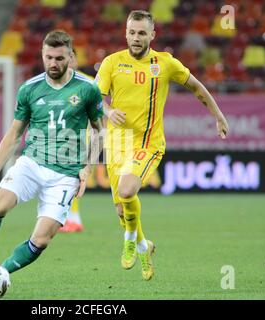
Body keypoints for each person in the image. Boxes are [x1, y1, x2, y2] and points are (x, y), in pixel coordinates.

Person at [0, 30, 104, 277]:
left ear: (71, 57)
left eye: (60, 58)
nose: (53, 63)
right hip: (32, 163)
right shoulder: (29, 89)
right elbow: (15, 133)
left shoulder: (88, 89)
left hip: (67, 174)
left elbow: (99, 131)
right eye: (49, 57)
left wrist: (88, 167)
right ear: (42, 55)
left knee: (41, 240)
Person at [95, 10, 229, 281]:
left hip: (148, 142)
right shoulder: (111, 63)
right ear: (125, 33)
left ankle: (130, 239)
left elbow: (196, 87)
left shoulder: (165, 63)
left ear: (152, 35)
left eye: (141, 33)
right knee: (122, 208)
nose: (135, 37)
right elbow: (94, 100)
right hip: (117, 142)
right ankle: (145, 247)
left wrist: (218, 114)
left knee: (127, 189)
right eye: (131, 32)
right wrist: (108, 112)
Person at [58, 48, 92, 233]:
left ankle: (73, 219)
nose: (69, 61)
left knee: (73, 177)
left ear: (76, 60)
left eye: (72, 57)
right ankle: (65, 218)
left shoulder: (88, 82)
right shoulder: (54, 83)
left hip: (80, 137)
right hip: (58, 138)